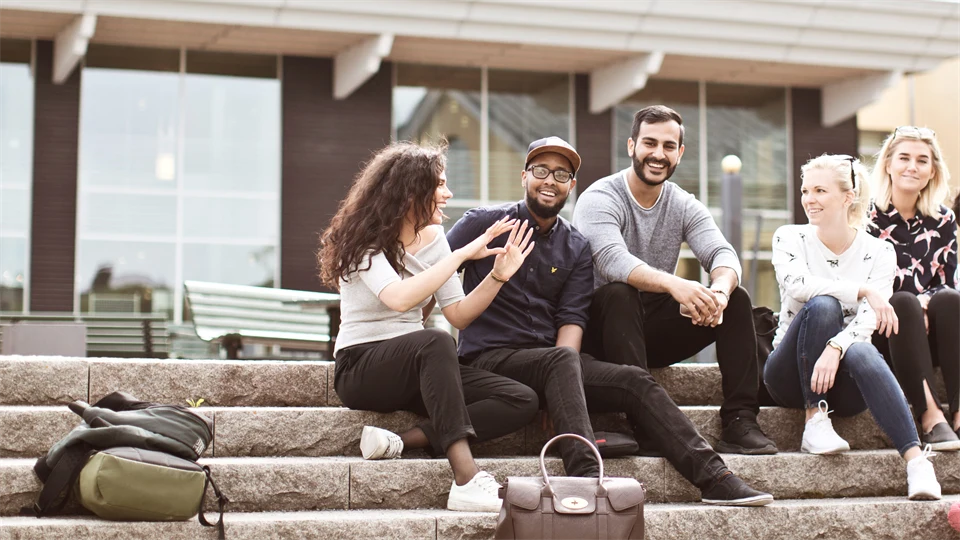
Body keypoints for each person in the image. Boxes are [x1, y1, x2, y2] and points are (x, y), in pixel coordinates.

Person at [447, 136, 774, 506]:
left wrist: (562, 386)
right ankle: (588, 480)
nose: (549, 180)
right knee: (566, 355)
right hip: (489, 359)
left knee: (633, 378)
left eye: (561, 174)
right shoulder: (484, 223)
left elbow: (572, 319)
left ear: (571, 185)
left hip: (551, 361)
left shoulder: (575, 245)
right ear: (524, 176)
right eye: (541, 171)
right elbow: (434, 269)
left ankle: (717, 478)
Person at [318, 141, 540, 513]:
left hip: (418, 366)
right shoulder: (363, 243)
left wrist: (497, 278)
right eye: (439, 185)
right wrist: (461, 254)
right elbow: (400, 298)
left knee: (521, 398)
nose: (448, 194)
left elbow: (458, 314)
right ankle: (466, 480)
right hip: (362, 368)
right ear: (409, 193)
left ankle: (401, 442)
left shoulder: (436, 242)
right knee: (435, 342)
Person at [572, 105, 777, 455]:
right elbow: (611, 260)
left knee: (739, 298)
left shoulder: (682, 203)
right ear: (631, 146)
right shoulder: (600, 197)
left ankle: (740, 421)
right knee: (620, 293)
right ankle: (646, 421)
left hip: (649, 331)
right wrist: (674, 285)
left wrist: (720, 293)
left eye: (668, 146)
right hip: (600, 334)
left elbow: (722, 254)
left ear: (679, 153)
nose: (658, 154)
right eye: (649, 143)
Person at [764, 153, 941, 500]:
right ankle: (814, 418)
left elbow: (868, 320)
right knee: (824, 305)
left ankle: (918, 462)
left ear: (847, 197)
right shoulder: (789, 237)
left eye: (819, 190)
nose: (808, 199)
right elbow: (798, 285)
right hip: (790, 374)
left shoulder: (879, 252)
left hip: (843, 383)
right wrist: (862, 290)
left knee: (862, 348)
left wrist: (836, 347)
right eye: (805, 191)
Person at [865, 126, 959, 449]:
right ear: (888, 164)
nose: (912, 167)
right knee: (902, 302)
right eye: (904, 158)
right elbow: (862, 283)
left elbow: (947, 281)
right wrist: (915, 305)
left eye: (922, 160)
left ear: (932, 171)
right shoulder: (865, 218)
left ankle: (959, 414)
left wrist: (925, 303)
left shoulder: (943, 221)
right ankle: (931, 416)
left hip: (929, 334)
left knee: (949, 299)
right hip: (881, 333)